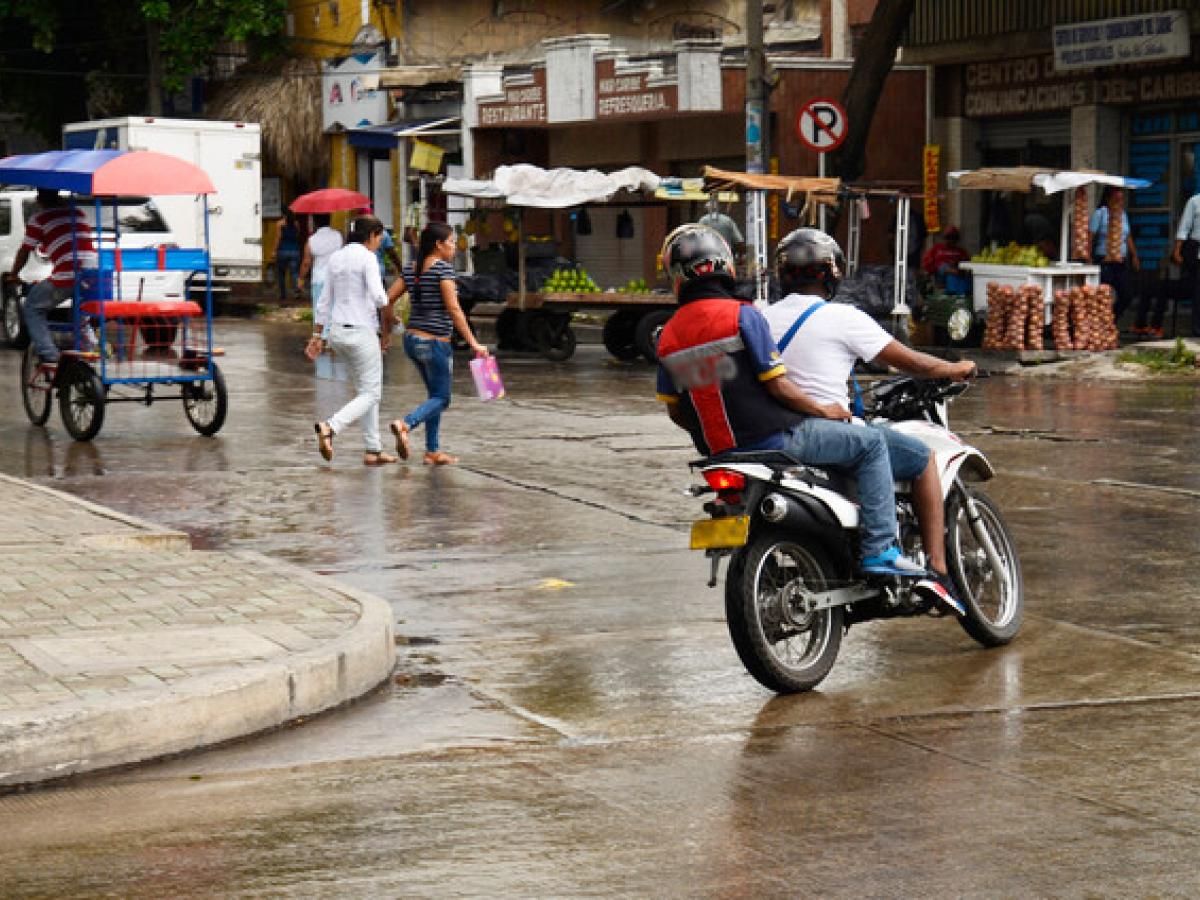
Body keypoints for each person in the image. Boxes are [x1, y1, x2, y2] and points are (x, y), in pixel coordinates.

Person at [653, 223, 927, 578]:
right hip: (774, 440)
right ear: (725, 264)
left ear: (676, 276)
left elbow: (677, 410)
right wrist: (824, 409)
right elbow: (779, 387)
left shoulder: (668, 335)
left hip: (719, 453)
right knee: (872, 444)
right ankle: (880, 550)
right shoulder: (743, 315)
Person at [763, 227, 977, 614]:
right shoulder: (843, 317)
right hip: (819, 430)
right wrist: (954, 368)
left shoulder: (761, 316)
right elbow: (905, 360)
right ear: (831, 272)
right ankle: (932, 567)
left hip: (774, 431)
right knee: (920, 457)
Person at [389, 222, 489, 466]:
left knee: (434, 395)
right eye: (452, 242)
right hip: (434, 343)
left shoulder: (412, 269)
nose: (454, 247)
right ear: (438, 245)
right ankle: (406, 424)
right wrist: (474, 343)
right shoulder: (443, 270)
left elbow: (387, 298)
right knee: (442, 399)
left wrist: (389, 322)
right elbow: (454, 310)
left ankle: (432, 451)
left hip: (412, 341)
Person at [308, 215, 398, 467]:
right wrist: (392, 314)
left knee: (365, 392)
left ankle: (373, 449)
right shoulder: (367, 258)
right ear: (371, 236)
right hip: (361, 332)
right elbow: (380, 297)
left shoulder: (336, 257)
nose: (380, 243)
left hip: (337, 333)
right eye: (380, 237)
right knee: (371, 393)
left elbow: (324, 302)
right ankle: (330, 427)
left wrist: (317, 335)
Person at [2, 188, 97, 364]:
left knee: (32, 307)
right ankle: (89, 351)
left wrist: (14, 274)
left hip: (67, 275)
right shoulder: (78, 213)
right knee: (81, 312)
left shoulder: (38, 219)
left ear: (40, 199)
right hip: (93, 275)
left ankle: (50, 356)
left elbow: (25, 251)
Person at [1088, 186, 1140, 324]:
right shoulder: (1101, 213)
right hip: (1105, 260)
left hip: (1120, 261)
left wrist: (1134, 255)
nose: (1120, 202)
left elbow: (1127, 236)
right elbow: (1090, 236)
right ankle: (1099, 324)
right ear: (1108, 199)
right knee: (1104, 294)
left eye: (1122, 199)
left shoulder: (1122, 215)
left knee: (1127, 294)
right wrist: (1088, 256)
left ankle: (1112, 319)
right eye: (1117, 199)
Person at [298, 213, 343, 318]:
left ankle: (320, 333)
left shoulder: (311, 240)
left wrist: (301, 278)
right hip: (336, 277)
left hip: (319, 279)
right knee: (335, 309)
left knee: (320, 310)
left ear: (315, 222)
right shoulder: (338, 236)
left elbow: (306, 263)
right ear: (330, 220)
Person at [1171, 188, 1200, 338]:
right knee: (1198, 289)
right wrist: (1177, 250)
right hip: (1196, 249)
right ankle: (1197, 329)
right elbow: (1184, 227)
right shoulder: (1194, 201)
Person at [698, 197, 746, 264]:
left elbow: (697, 239)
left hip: (708, 257)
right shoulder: (728, 220)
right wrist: (741, 256)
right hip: (726, 257)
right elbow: (739, 241)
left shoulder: (703, 220)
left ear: (707, 209)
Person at [271, 211, 302, 301]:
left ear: (284, 214)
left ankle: (283, 294)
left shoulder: (280, 224)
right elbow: (297, 235)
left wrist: (274, 251)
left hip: (282, 251)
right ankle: (297, 292)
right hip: (294, 251)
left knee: (281, 274)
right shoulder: (296, 224)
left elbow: (278, 238)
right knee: (294, 273)